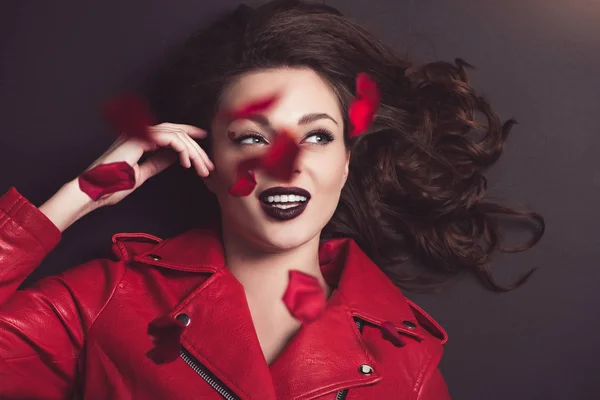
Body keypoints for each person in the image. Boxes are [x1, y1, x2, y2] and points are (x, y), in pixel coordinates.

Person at [0, 1, 545, 399]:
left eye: (316, 135)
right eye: (252, 137)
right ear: (204, 160)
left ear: (347, 161)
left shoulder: (407, 359)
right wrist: (74, 199)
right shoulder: (106, 299)